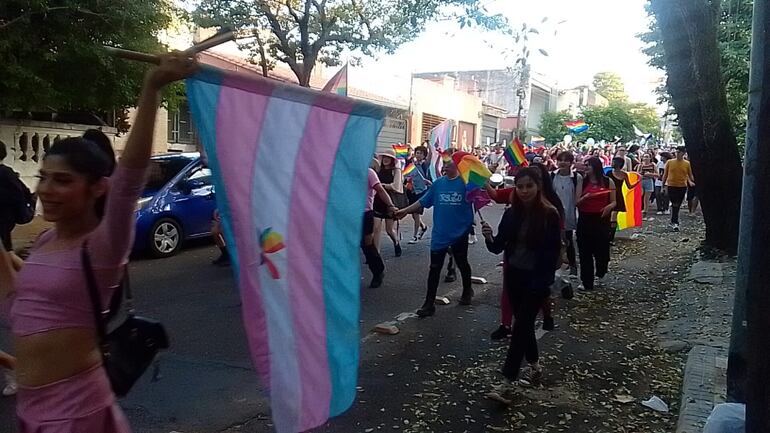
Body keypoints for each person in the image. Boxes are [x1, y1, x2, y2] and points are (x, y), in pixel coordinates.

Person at [0, 52, 196, 432]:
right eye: (44, 177)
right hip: (32, 414)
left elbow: (130, 177)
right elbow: (16, 310)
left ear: (97, 187)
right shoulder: (43, 244)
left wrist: (152, 87)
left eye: (63, 180)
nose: (46, 190)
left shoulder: (102, 245)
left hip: (79, 416)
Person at [481, 167, 561, 389]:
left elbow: (551, 255)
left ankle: (508, 380)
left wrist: (542, 284)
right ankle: (535, 366)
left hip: (537, 280)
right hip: (514, 276)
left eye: (529, 186)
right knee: (524, 327)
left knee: (520, 327)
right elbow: (498, 247)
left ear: (538, 187)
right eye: (520, 186)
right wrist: (489, 237)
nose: (524, 191)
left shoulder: (549, 214)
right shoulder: (511, 213)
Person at [395, 151, 475, 317]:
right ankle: (428, 303)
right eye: (444, 162)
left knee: (462, 263)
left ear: (458, 165)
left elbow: (483, 196)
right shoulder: (438, 184)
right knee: (434, 268)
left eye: (449, 163)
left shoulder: (467, 184)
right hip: (440, 234)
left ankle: (467, 290)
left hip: (460, 231)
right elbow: (422, 201)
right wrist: (404, 211)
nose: (445, 165)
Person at [576, 157, 616, 291]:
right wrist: (585, 197)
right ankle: (586, 281)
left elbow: (614, 201)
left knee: (602, 250)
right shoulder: (582, 181)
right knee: (584, 252)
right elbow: (576, 202)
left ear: (596, 167)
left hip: (601, 219)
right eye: (585, 165)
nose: (586, 167)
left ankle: (601, 272)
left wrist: (608, 208)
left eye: (588, 165)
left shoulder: (607, 181)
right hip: (585, 218)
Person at [363, 162, 399, 288]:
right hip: (347, 215)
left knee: (367, 245)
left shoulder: (369, 173)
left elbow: (380, 191)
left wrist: (390, 205)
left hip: (365, 214)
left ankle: (378, 272)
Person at [551, 151, 582, 275]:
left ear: (571, 162)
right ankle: (554, 266)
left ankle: (573, 266)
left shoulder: (576, 178)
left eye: (566, 160)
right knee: (552, 240)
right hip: (553, 214)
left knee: (568, 240)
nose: (563, 162)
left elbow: (577, 198)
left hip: (568, 214)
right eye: (560, 160)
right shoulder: (551, 176)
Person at [0, 141, 31, 252]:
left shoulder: (5, 173)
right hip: (5, 218)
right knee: (6, 249)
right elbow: (21, 192)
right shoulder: (6, 173)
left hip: (4, 218)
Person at [373, 149, 405, 256]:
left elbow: (396, 186)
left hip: (390, 202)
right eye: (384, 157)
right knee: (376, 228)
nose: (386, 159)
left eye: (389, 157)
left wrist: (381, 185)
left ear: (392, 160)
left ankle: (396, 242)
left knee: (389, 229)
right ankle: (376, 254)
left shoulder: (396, 171)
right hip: (377, 200)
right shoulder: (378, 170)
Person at [662, 146, 694, 232]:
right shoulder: (669, 162)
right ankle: (675, 221)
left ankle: (674, 221)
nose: (677, 154)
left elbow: (690, 175)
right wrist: (663, 186)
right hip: (671, 185)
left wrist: (694, 181)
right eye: (676, 152)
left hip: (682, 186)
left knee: (678, 204)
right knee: (674, 203)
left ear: (683, 153)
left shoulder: (687, 164)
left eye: (679, 152)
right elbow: (665, 175)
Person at [406, 146, 431, 244]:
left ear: (424, 155)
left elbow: (430, 156)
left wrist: (430, 144)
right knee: (413, 214)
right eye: (417, 153)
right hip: (412, 191)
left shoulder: (425, 165)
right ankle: (423, 227)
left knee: (416, 214)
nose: (418, 155)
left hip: (421, 192)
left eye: (421, 153)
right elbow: (407, 175)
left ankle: (415, 236)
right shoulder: (412, 165)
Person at [608, 157, 628, 241]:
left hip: (618, 196)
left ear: (619, 164)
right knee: (609, 216)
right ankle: (608, 235)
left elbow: (629, 186)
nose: (612, 163)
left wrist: (638, 181)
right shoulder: (609, 173)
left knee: (613, 215)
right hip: (610, 195)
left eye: (614, 162)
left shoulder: (624, 174)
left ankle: (611, 237)